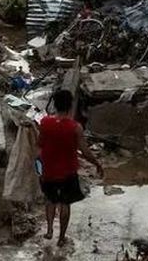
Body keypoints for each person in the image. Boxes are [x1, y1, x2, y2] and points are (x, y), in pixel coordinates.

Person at [38, 89, 103, 246]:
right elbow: (85, 151)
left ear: (55, 104)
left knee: (50, 200)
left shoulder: (45, 123)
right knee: (65, 203)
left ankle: (49, 231)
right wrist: (97, 163)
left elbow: (38, 147)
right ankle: (61, 238)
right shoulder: (75, 127)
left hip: (48, 170)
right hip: (68, 171)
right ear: (70, 106)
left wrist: (38, 169)